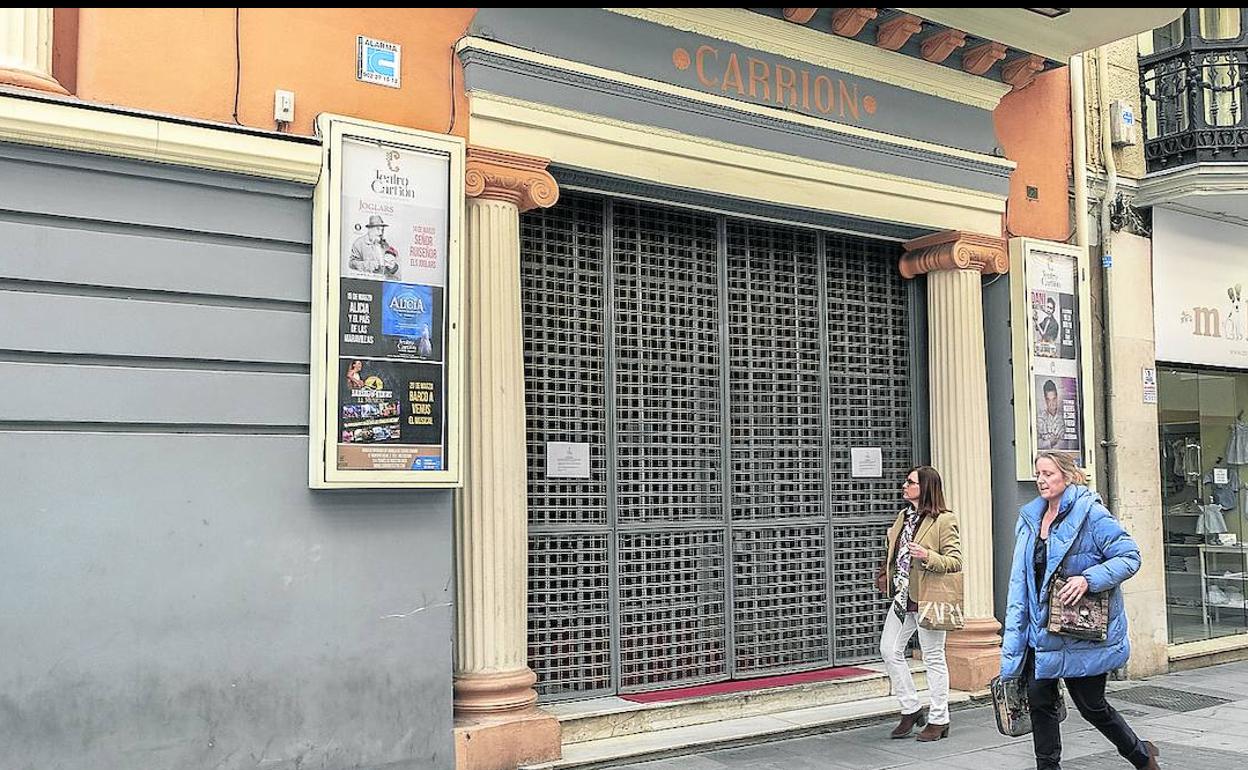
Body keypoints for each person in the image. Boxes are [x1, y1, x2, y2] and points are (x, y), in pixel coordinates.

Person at [1000, 451, 1160, 770]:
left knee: (1092, 706)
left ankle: (1140, 755)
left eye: (1048, 474)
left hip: (1079, 632)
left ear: (1068, 475)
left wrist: (1088, 580)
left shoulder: (1091, 513)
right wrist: (1014, 636)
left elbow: (1129, 556)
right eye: (1038, 474)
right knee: (1040, 700)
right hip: (1039, 631)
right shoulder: (1030, 519)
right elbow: (1020, 582)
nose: (1041, 480)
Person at [875, 465, 961, 741]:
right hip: (903, 596)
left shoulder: (944, 520)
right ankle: (911, 708)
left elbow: (955, 561)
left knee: (933, 657)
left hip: (929, 597)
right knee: (889, 650)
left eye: (910, 482)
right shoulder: (904, 516)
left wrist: (927, 555)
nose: (904, 485)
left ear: (925, 488)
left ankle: (939, 718)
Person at [1037, 380, 1064, 450]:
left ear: (1057, 397)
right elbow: (1035, 442)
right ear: (1045, 400)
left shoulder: (1064, 417)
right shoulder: (1039, 419)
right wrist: (1049, 442)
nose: (1052, 403)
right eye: (1049, 400)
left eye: (1054, 399)